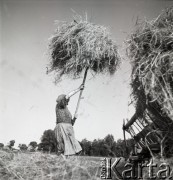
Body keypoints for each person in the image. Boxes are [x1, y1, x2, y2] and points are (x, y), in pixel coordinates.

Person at [54, 84, 84, 158]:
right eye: (66, 100)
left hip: (68, 129)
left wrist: (75, 118)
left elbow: (71, 124)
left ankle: (67, 163)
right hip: (62, 128)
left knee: (74, 148)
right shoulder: (59, 106)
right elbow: (67, 96)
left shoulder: (67, 110)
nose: (68, 101)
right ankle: (62, 162)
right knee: (62, 148)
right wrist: (78, 89)